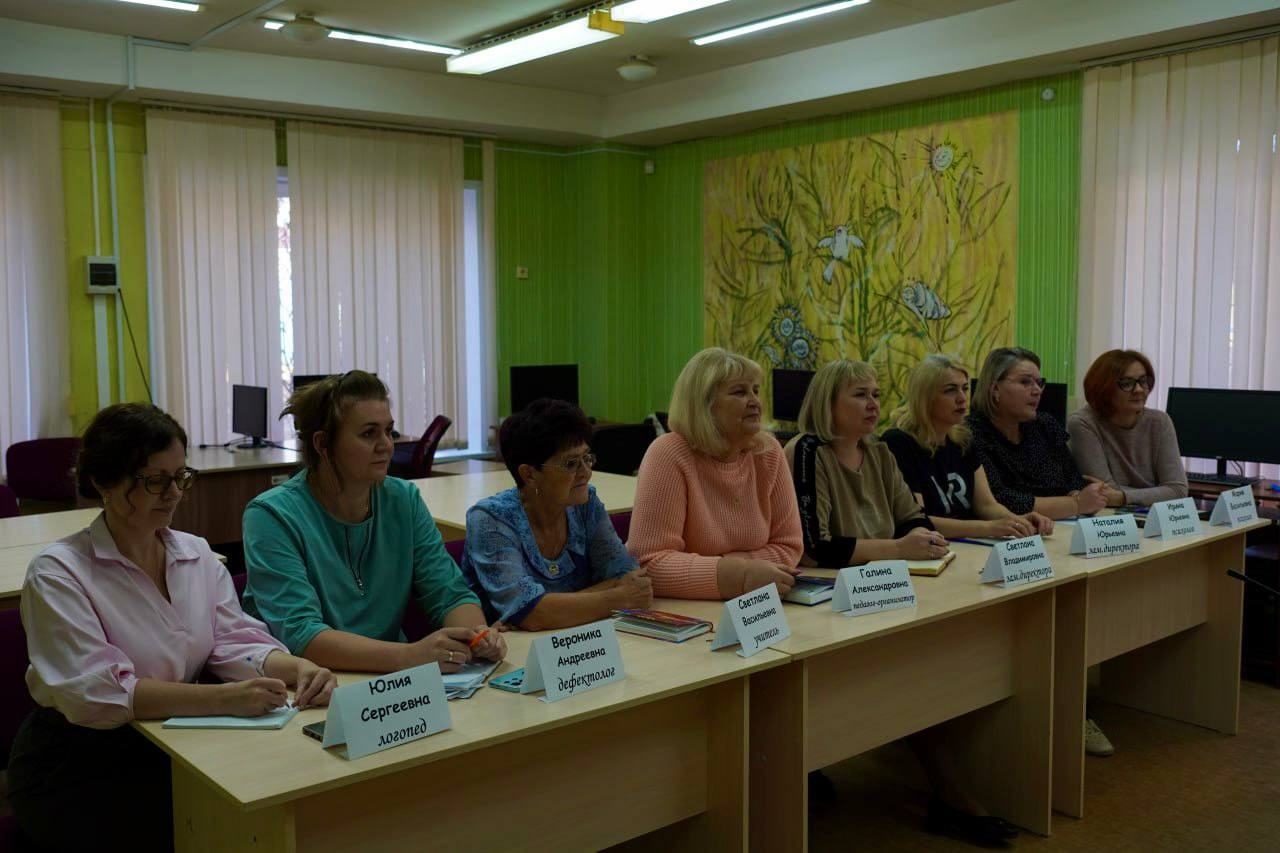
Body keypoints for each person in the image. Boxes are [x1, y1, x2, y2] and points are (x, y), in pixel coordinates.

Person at [9, 403, 336, 852]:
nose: (174, 493)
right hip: (80, 763)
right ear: (104, 482)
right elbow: (100, 693)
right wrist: (222, 700)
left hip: (178, 740)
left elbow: (232, 640)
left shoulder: (196, 554)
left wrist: (296, 668)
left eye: (180, 476)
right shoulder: (59, 572)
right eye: (154, 480)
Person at [243, 371, 506, 674]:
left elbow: (449, 594)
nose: (386, 445)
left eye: (389, 431)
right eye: (369, 434)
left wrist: (476, 636)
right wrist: (411, 656)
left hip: (392, 680)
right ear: (322, 443)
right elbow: (303, 635)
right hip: (309, 684)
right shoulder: (271, 515)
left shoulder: (403, 499)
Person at [627, 347, 802, 599]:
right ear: (704, 404)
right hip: (688, 608)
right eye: (740, 392)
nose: (754, 401)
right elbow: (649, 563)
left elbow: (789, 547)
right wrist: (740, 574)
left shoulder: (768, 451)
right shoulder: (668, 453)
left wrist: (724, 568)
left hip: (753, 600)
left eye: (755, 390)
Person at [462, 398, 651, 629]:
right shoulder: (491, 518)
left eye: (587, 458)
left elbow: (630, 578)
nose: (586, 472)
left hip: (579, 640)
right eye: (571, 463)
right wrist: (618, 599)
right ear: (529, 475)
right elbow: (530, 613)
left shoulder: (586, 504)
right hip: (510, 648)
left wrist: (548, 608)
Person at [783, 359, 947, 567]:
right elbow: (814, 548)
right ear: (828, 403)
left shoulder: (879, 451)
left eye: (876, 395)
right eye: (861, 395)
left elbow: (913, 517)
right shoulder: (807, 451)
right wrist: (900, 548)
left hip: (883, 573)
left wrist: (922, 540)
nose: (873, 404)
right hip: (832, 578)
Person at [882, 354, 1054, 539]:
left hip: (968, 542)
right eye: (950, 390)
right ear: (925, 397)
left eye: (964, 388)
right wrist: (988, 528)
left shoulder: (963, 439)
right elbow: (917, 520)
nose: (962, 398)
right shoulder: (898, 443)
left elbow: (987, 506)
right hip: (930, 545)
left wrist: (1019, 521)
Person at [968, 347, 1108, 520]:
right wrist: (1076, 504)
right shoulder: (972, 433)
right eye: (1025, 382)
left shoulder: (1044, 424)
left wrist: (1083, 494)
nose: (1037, 391)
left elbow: (1073, 479)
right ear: (995, 388)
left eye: (1039, 383)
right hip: (1012, 530)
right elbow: (998, 500)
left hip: (1062, 524)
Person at [1068, 349, 1189, 506]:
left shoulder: (1160, 422)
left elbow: (1178, 490)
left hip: (1152, 513)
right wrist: (1157, 493)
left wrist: (1122, 497)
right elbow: (1103, 493)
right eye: (1127, 383)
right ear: (1103, 388)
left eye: (1143, 381)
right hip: (1110, 516)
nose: (1139, 390)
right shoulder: (1083, 423)